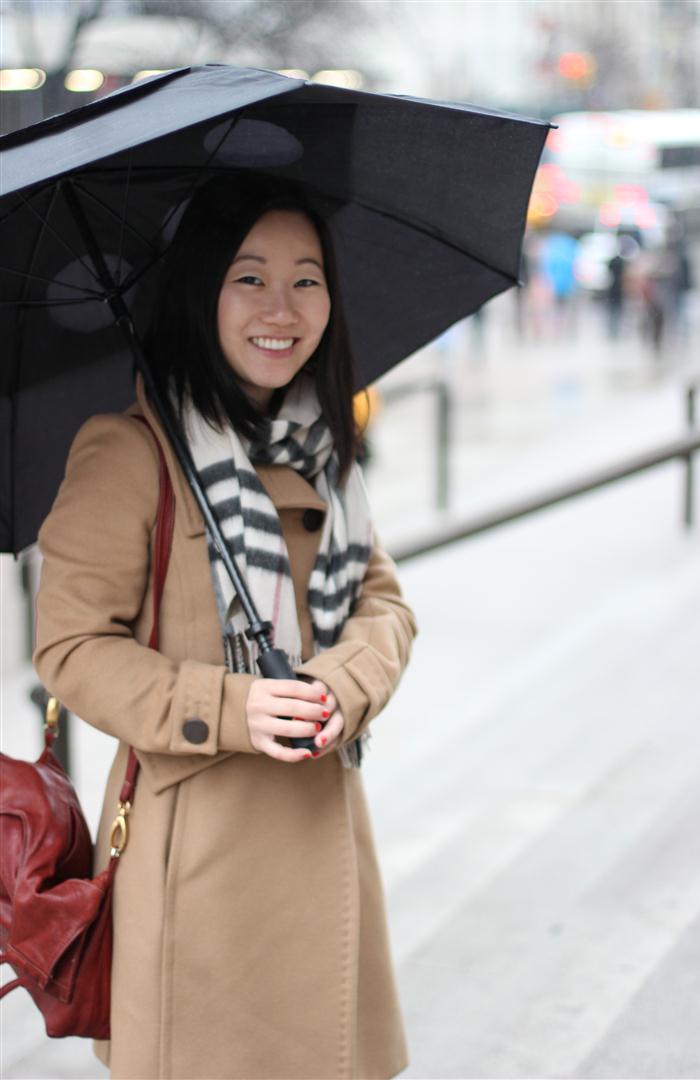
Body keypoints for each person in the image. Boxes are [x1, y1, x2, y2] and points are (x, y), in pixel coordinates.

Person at [32, 173, 417, 1080]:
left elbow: (384, 604)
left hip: (324, 821)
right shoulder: (128, 453)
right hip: (198, 854)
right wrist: (234, 707)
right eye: (249, 277)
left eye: (306, 277)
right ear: (201, 291)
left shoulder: (322, 446)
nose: (281, 307)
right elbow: (71, 648)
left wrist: (341, 687)